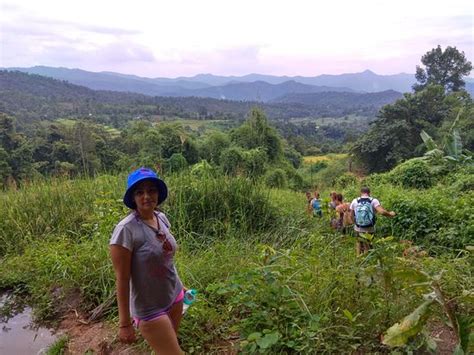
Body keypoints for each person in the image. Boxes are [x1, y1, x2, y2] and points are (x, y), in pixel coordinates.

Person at [110, 167, 184, 354]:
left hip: (174, 296)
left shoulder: (161, 218)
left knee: (169, 346)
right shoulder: (126, 230)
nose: (146, 196)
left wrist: (180, 285)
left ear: (158, 193)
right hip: (150, 310)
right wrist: (124, 323)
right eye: (139, 192)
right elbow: (122, 278)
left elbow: (166, 258)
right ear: (133, 198)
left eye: (151, 190)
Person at [350, 187, 396, 255]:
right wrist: (390, 214)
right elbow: (382, 212)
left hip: (358, 227)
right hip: (369, 228)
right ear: (369, 193)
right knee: (368, 244)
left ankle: (358, 258)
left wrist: (355, 223)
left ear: (361, 193)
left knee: (358, 242)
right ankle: (367, 260)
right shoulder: (374, 201)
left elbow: (351, 215)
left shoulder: (355, 201)